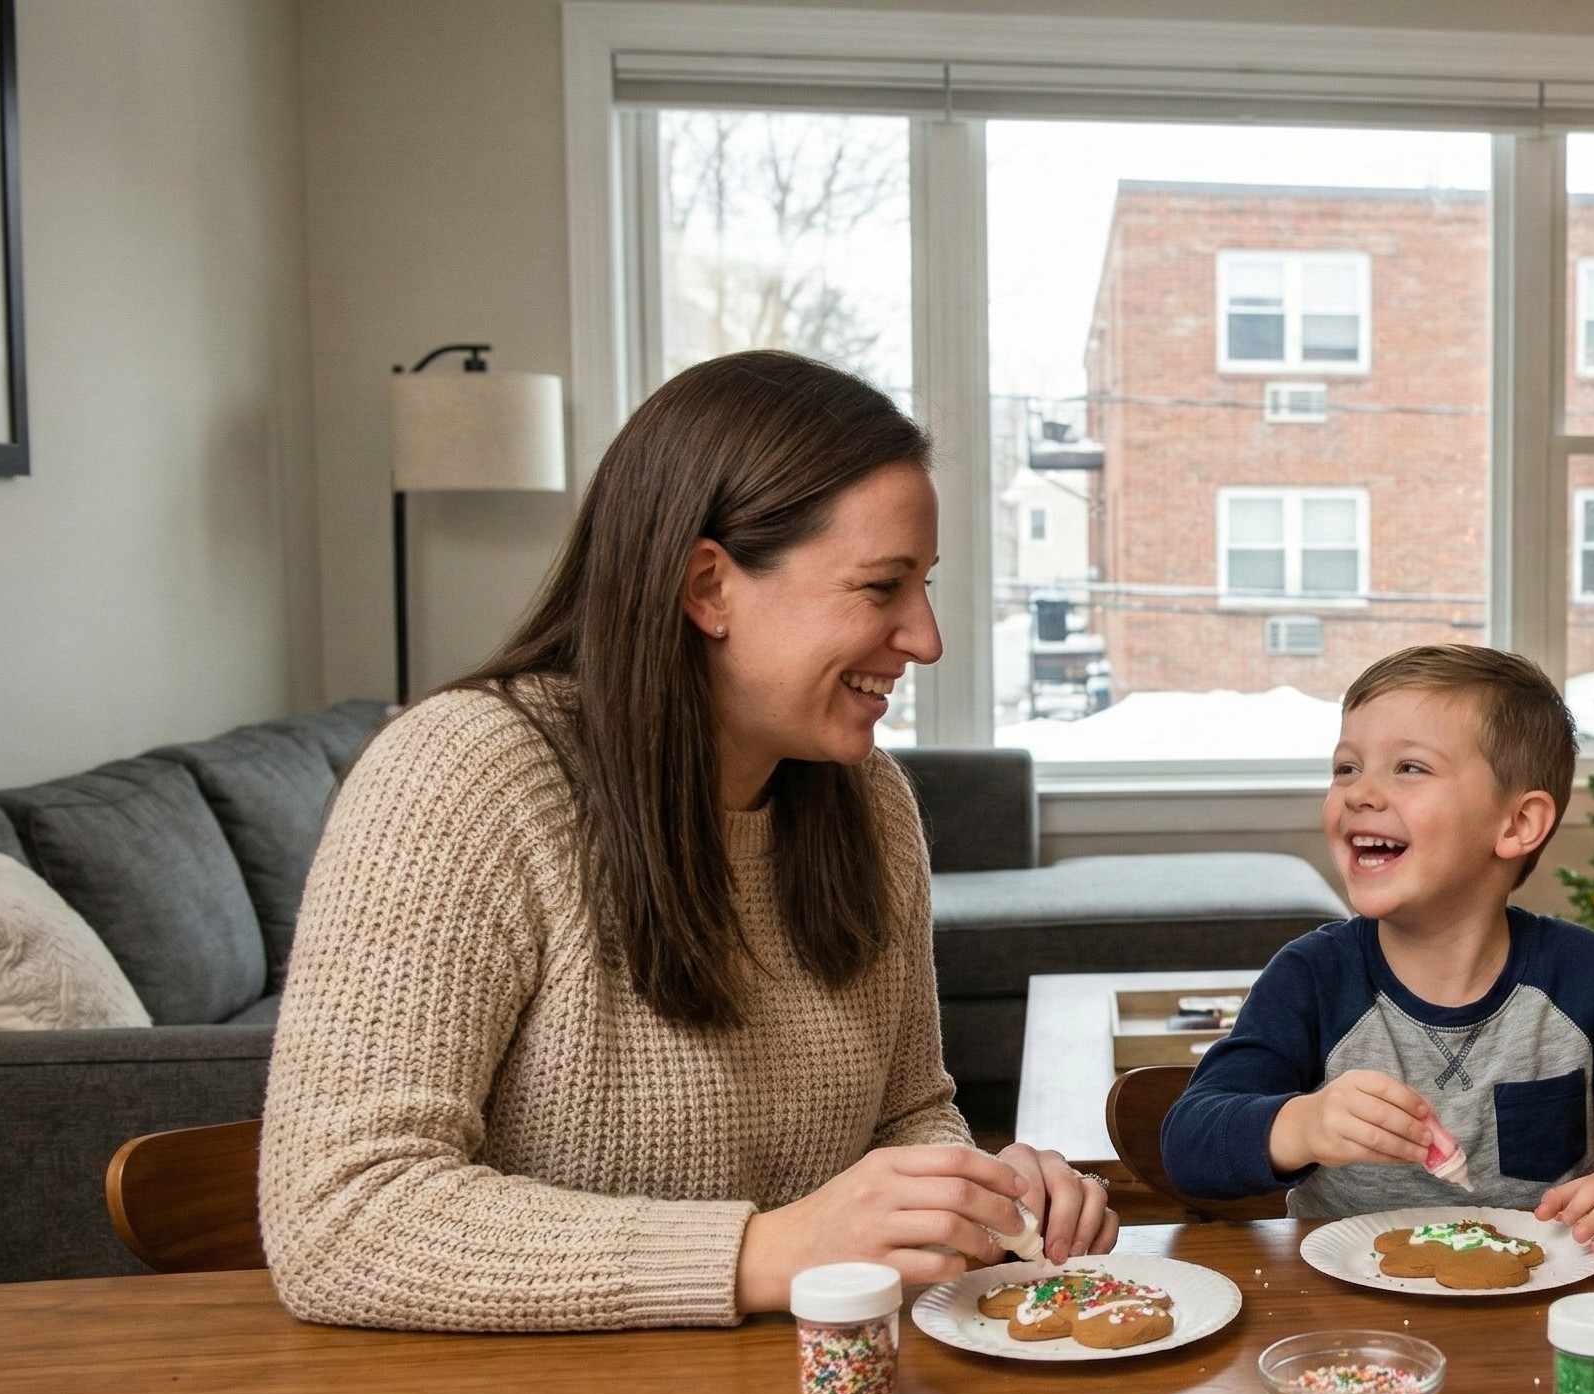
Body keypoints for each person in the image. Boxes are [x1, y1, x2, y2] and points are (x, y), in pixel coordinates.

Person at [260, 351, 1115, 1333]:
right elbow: (340, 1220)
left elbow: (903, 1114)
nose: (924, 639)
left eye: (922, 585)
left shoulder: (867, 802)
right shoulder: (463, 775)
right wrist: (767, 1253)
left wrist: (972, 1191)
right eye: (880, 587)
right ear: (707, 587)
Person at [1160, 645, 1594, 1259]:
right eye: (1346, 768)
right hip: (1347, 1325)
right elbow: (1188, 1142)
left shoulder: (1581, 974)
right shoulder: (1312, 977)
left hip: (1534, 1320)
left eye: (1410, 768)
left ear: (1517, 824)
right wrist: (1300, 1125)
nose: (1361, 793)